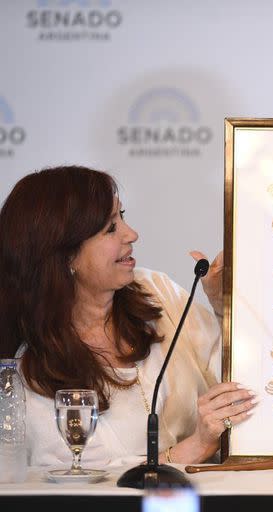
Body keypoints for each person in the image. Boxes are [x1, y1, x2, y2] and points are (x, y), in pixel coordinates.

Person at [0, 165, 256, 468]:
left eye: (122, 216)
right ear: (65, 255)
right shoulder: (27, 370)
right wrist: (195, 448)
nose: (132, 234)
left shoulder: (156, 292)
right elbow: (78, 477)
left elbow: (239, 379)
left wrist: (224, 305)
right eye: (110, 228)